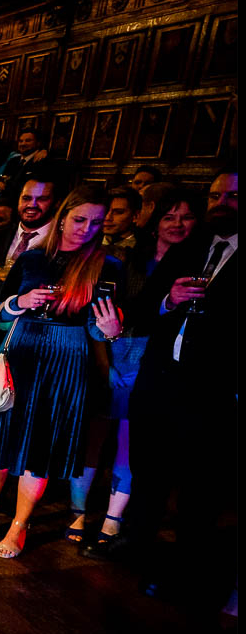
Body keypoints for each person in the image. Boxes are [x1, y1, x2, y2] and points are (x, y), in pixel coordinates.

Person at [0, 186, 124, 558]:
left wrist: (111, 332)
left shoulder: (108, 265)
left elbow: (99, 328)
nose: (87, 229)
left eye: (96, 222)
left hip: (68, 359)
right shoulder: (32, 258)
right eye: (80, 219)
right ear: (64, 216)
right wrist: (19, 302)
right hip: (21, 352)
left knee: (42, 445)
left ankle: (20, 524)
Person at [125, 170, 236, 606]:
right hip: (158, 384)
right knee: (148, 479)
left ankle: (188, 574)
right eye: (216, 194)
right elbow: (140, 308)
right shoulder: (191, 247)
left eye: (233, 195)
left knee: (198, 492)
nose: (222, 202)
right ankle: (141, 560)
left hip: (211, 392)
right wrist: (169, 300)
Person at [70, 189, 196, 556]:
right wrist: (106, 363)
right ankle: (78, 515)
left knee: (129, 445)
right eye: (169, 217)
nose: (176, 225)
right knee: (92, 438)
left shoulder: (199, 261)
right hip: (110, 350)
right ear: (153, 219)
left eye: (185, 217)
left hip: (155, 361)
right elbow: (100, 311)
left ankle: (113, 521)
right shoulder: (125, 258)